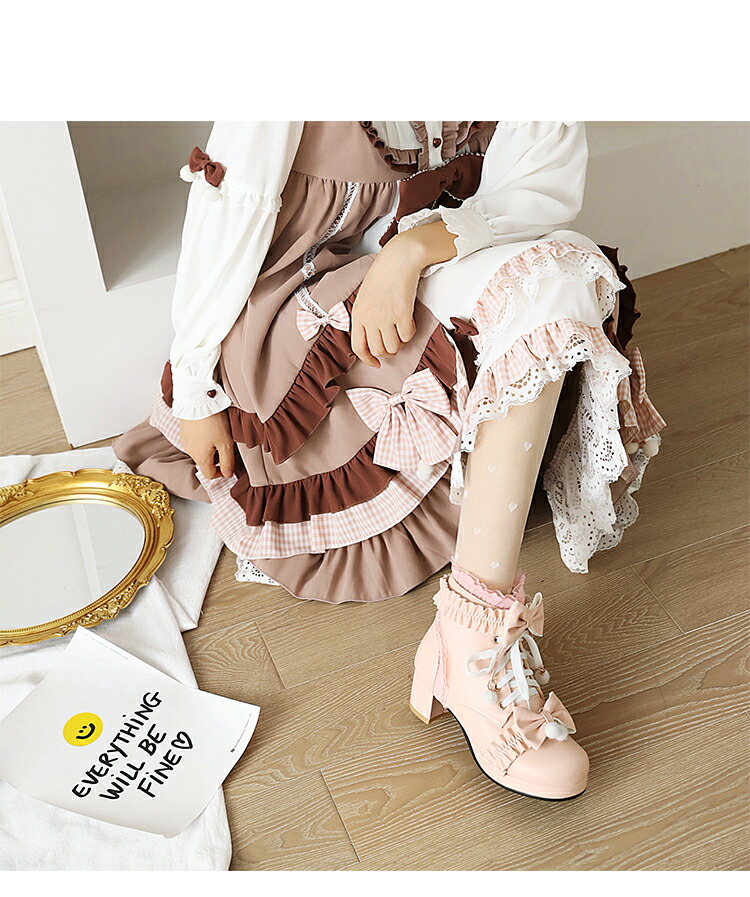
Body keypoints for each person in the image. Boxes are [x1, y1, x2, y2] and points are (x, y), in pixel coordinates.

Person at [112, 121, 666, 801]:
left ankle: (469, 634)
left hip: (421, 267)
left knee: (561, 272)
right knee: (548, 277)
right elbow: (234, 204)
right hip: (301, 301)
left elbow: (538, 182)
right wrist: (196, 382)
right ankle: (471, 646)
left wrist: (410, 251)